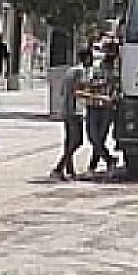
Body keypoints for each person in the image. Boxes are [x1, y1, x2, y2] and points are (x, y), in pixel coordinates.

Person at [52, 50, 88, 180]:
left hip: (66, 109)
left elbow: (62, 91)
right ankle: (59, 167)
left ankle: (70, 170)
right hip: (75, 110)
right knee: (78, 141)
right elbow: (78, 91)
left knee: (69, 142)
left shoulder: (69, 71)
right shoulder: (80, 72)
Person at [83, 44, 118, 175]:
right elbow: (87, 82)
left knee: (100, 138)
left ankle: (92, 167)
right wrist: (100, 84)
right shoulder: (96, 66)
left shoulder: (119, 68)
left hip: (107, 108)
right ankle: (109, 160)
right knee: (93, 137)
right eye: (108, 51)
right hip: (93, 105)